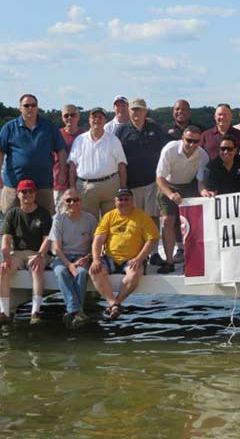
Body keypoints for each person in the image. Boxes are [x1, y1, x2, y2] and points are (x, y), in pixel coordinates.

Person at [89, 188, 159, 320]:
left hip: (132, 259)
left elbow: (152, 239)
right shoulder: (109, 216)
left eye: (127, 199)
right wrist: (96, 259)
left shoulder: (142, 216)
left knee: (134, 273)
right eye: (120, 199)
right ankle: (113, 303)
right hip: (110, 258)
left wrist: (139, 258)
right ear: (115, 201)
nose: (123, 202)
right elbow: (98, 240)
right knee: (94, 271)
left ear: (132, 201)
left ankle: (116, 303)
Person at [116, 98, 168, 266]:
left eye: (139, 110)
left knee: (153, 218)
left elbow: (166, 150)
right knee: (136, 219)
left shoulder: (155, 129)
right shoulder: (121, 131)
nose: (136, 113)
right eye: (133, 110)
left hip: (152, 181)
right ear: (129, 111)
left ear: (145, 111)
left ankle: (153, 253)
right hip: (132, 183)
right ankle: (139, 253)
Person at [0, 94, 66, 215]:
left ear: (37, 107)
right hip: (14, 185)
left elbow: (61, 150)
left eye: (33, 105)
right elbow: (1, 152)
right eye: (26, 105)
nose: (30, 108)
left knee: (46, 220)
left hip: (43, 184)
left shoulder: (49, 127)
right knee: (10, 220)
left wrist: (62, 172)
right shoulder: (9, 128)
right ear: (20, 108)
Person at [155, 125, 209, 274]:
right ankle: (169, 261)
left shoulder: (203, 155)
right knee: (167, 221)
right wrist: (171, 194)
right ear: (182, 138)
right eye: (188, 140)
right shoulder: (170, 149)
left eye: (196, 141)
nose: (191, 145)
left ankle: (190, 259)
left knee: (192, 224)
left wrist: (204, 192)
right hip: (168, 184)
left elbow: (200, 181)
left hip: (188, 185)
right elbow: (159, 178)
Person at [0, 180, 52, 325]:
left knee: (36, 268)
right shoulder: (12, 214)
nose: (27, 195)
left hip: (38, 252)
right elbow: (6, 240)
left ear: (35, 194)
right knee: (3, 270)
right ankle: (4, 312)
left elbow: (47, 239)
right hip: (17, 253)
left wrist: (40, 256)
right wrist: (5, 258)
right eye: (24, 192)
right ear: (17, 194)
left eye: (31, 191)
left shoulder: (43, 213)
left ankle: (35, 312)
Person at [49, 189, 97, 329]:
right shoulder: (58, 219)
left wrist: (88, 258)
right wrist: (69, 264)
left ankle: (73, 310)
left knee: (82, 273)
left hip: (83, 257)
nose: (72, 203)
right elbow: (57, 248)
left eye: (75, 200)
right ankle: (77, 310)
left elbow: (97, 244)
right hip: (63, 257)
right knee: (61, 272)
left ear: (80, 201)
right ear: (63, 203)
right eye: (68, 200)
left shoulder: (90, 219)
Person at [68, 107, 128, 219]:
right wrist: (72, 187)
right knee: (88, 224)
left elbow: (122, 165)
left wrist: (123, 188)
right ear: (89, 120)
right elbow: (72, 165)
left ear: (105, 120)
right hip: (86, 188)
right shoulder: (80, 140)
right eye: (94, 117)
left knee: (112, 221)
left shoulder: (113, 140)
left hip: (110, 186)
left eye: (100, 117)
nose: (97, 120)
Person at [55, 104, 86, 214]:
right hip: (60, 182)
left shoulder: (85, 135)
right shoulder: (56, 135)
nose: (69, 118)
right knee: (61, 215)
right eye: (66, 115)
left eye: (73, 115)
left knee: (81, 215)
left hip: (81, 182)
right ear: (62, 118)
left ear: (78, 116)